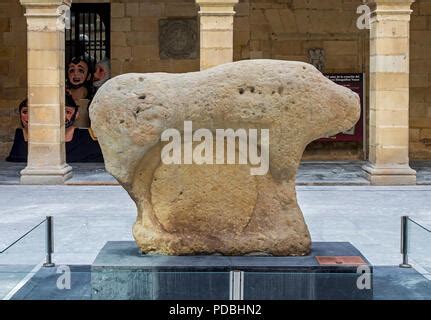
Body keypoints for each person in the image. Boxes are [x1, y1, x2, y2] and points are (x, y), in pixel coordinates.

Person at [65, 94, 104, 163]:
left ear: (76, 114)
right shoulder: (41, 142)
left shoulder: (93, 141)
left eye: (67, 112)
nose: (62, 116)